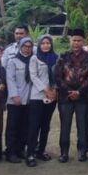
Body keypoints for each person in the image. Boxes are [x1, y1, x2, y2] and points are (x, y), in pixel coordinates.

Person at [57, 28, 88, 162]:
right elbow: (58, 76)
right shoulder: (63, 56)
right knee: (65, 125)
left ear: (83, 41)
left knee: (83, 125)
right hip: (65, 97)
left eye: (79, 41)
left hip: (83, 97)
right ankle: (64, 152)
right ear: (70, 41)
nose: (76, 43)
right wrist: (69, 91)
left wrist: (79, 91)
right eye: (74, 40)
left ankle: (82, 151)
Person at [26, 35, 59, 166]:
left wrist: (54, 90)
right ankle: (30, 153)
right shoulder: (34, 58)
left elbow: (58, 75)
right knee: (34, 125)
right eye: (43, 43)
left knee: (46, 125)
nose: (46, 45)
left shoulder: (56, 58)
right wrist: (46, 90)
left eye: (48, 43)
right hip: (38, 96)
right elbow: (33, 76)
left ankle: (41, 150)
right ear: (39, 45)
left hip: (51, 97)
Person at [4, 37, 34, 162]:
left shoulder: (33, 60)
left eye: (29, 46)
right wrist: (14, 95)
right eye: (25, 46)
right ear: (20, 47)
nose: (27, 49)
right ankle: (10, 152)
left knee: (24, 126)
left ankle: (20, 149)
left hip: (28, 99)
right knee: (13, 126)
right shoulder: (13, 61)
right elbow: (10, 79)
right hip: (15, 100)